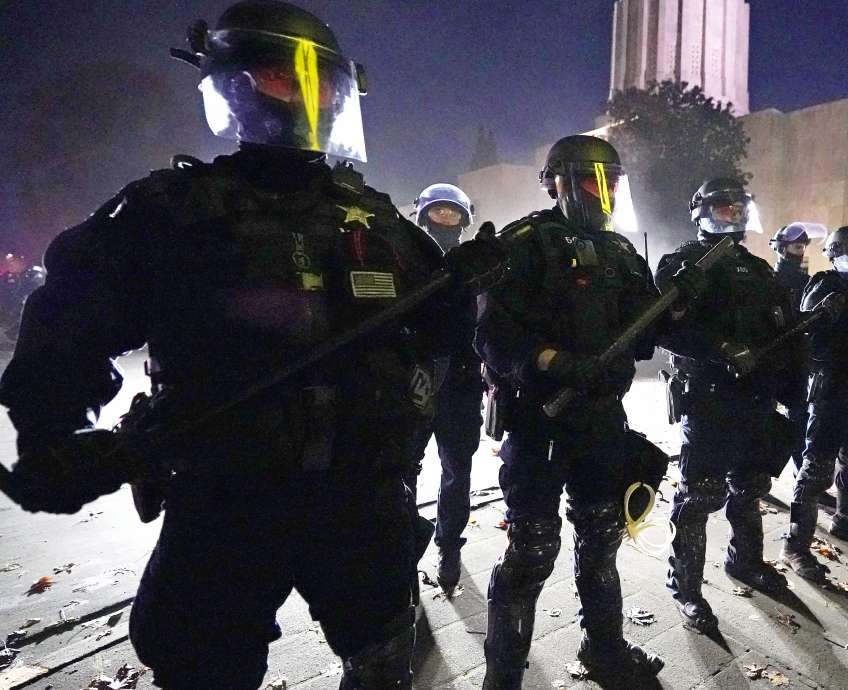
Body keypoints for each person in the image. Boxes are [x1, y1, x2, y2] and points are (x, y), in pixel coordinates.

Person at [0, 3, 505, 688]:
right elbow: (65, 322)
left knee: (385, 658)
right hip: (228, 502)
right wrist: (52, 436)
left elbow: (439, 338)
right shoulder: (171, 211)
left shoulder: (375, 220)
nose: (301, 98)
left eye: (317, 84)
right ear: (233, 87)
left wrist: (458, 291)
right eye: (279, 77)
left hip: (361, 500)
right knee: (202, 667)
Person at [475, 135, 678, 688]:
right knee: (533, 551)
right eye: (593, 180)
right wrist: (553, 361)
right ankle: (504, 674)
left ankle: (604, 649)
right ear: (558, 182)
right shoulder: (525, 244)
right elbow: (494, 334)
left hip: (601, 422)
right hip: (540, 418)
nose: (604, 193)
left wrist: (675, 302)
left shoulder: (620, 252)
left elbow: (645, 335)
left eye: (612, 182)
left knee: (601, 539)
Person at [656, 178, 804, 629]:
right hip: (709, 395)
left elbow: (783, 331)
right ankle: (686, 586)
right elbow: (661, 327)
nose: (732, 215)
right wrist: (719, 347)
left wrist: (795, 385)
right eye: (722, 208)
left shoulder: (759, 270)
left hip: (755, 396)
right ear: (703, 210)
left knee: (752, 486)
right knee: (700, 495)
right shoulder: (683, 262)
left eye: (738, 208)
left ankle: (745, 561)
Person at [782, 225, 848, 571]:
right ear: (838, 253)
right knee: (815, 471)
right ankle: (796, 546)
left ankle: (847, 519)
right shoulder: (826, 284)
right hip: (831, 389)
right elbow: (802, 331)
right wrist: (826, 314)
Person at [409, 183, 484, 592]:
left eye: (453, 215)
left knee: (458, 470)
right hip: (418, 378)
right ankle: (404, 546)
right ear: (423, 217)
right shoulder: (407, 259)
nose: (445, 221)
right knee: (405, 467)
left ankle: (449, 543)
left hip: (461, 381)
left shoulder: (474, 264)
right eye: (438, 213)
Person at [769, 222, 815, 472]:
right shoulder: (768, 280)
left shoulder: (807, 282)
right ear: (781, 247)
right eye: (796, 246)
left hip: (797, 360)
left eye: (802, 247)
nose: (800, 252)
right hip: (771, 358)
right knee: (763, 417)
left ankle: (802, 472)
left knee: (800, 418)